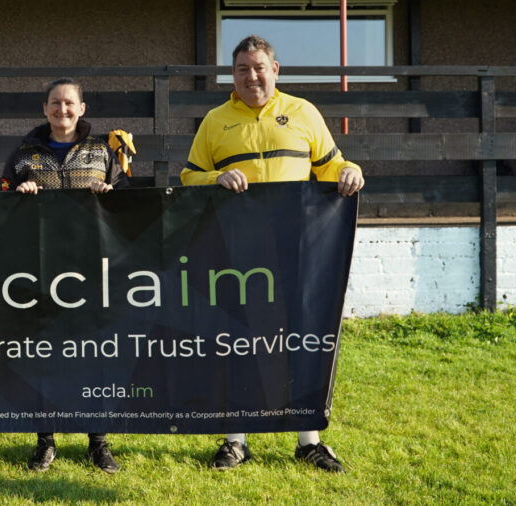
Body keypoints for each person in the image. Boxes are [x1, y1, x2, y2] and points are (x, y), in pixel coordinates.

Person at [180, 34, 364, 473]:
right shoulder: (215, 120)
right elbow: (189, 176)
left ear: (275, 70)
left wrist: (350, 169)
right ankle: (235, 440)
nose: (251, 75)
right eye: (242, 69)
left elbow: (329, 164)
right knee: (238, 340)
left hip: (297, 249)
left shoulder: (303, 112)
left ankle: (308, 440)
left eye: (259, 67)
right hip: (236, 253)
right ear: (233, 74)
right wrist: (217, 178)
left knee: (299, 337)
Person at [1, 77, 127, 474]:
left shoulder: (106, 150)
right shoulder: (24, 153)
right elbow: (0, 202)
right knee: (44, 355)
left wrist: (109, 190)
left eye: (69, 104)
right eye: (55, 104)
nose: (62, 110)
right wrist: (17, 195)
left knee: (94, 354)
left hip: (92, 266)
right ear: (44, 109)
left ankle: (98, 442)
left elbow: (128, 204)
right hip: (40, 268)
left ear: (82, 108)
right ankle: (45, 441)